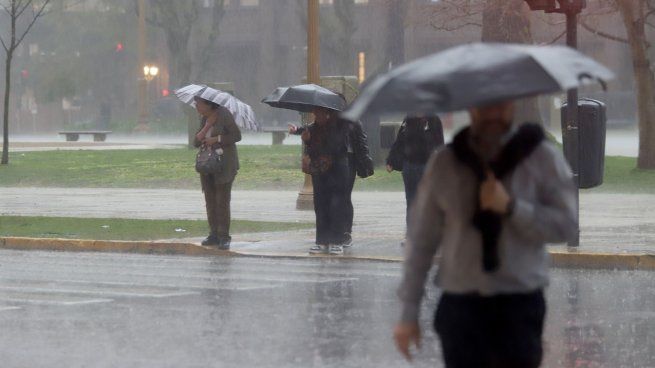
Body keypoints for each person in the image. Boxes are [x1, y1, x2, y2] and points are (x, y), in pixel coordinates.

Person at [393, 100, 577, 367]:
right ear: (470, 108)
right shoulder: (447, 162)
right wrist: (408, 313)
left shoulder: (540, 158)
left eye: (500, 105)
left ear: (513, 104)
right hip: (461, 308)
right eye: (484, 105)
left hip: (519, 306)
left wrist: (512, 208)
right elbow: (421, 241)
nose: (493, 112)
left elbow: (566, 225)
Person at [289, 107, 350, 255]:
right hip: (319, 172)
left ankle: (337, 240)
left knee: (336, 206)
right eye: (315, 113)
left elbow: (336, 148)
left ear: (327, 114)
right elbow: (311, 145)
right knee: (320, 206)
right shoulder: (313, 128)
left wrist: (312, 141)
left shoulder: (340, 126)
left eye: (319, 113)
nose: (316, 116)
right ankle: (321, 240)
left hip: (337, 171)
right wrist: (303, 137)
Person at [193, 96, 242, 250]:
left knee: (222, 201)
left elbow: (236, 136)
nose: (196, 106)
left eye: (198, 103)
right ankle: (213, 233)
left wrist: (217, 139)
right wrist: (207, 126)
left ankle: (224, 236)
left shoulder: (224, 114)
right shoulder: (204, 118)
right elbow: (195, 142)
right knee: (210, 201)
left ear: (208, 104)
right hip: (207, 165)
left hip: (224, 165)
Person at [386, 115, 444, 229]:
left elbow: (440, 144)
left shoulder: (433, 120)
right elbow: (399, 142)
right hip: (409, 165)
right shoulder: (408, 120)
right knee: (411, 200)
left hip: (428, 165)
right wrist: (390, 160)